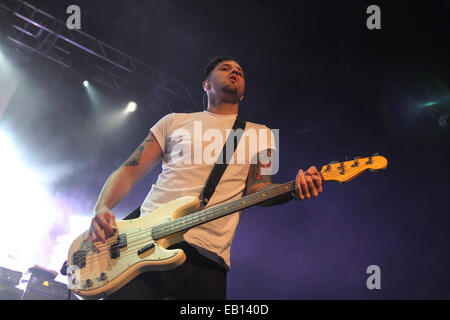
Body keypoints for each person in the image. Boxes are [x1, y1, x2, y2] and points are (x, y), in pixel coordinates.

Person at [85, 56, 323, 300]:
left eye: (240, 70)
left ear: (243, 93)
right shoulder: (174, 121)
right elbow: (130, 169)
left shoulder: (261, 133)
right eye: (225, 68)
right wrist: (102, 206)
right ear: (206, 85)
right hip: (145, 244)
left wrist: (293, 190)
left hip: (208, 258)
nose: (235, 71)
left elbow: (259, 189)